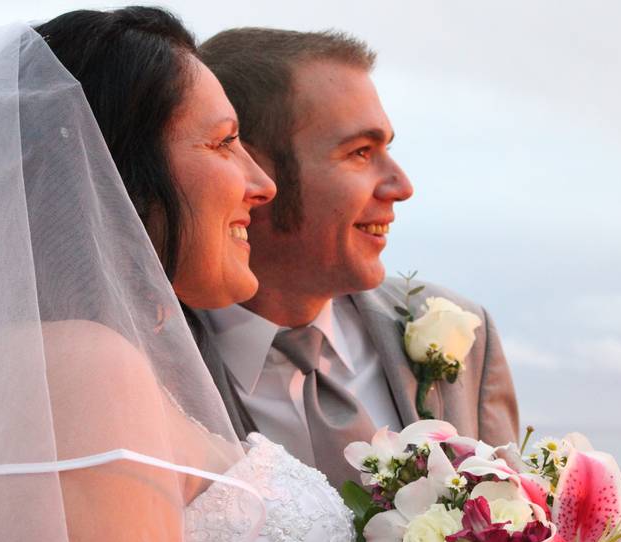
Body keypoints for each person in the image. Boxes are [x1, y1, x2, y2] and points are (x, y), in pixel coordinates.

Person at [0, 8, 355, 542]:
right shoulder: (74, 367)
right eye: (223, 142)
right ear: (120, 170)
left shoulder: (69, 359)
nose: (260, 184)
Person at [192, 29, 521, 490]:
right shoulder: (150, 358)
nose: (401, 186)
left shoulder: (465, 334)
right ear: (253, 169)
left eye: (387, 148)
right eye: (360, 152)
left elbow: (512, 535)